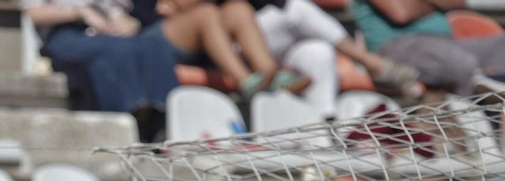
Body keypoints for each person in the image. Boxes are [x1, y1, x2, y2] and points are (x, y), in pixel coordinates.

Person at [23, 0, 179, 138]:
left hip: (106, 32)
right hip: (63, 33)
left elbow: (117, 9)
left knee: (154, 45)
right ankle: (133, 117)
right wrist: (80, 13)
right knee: (119, 50)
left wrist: (128, 22)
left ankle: (167, 117)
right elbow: (28, 13)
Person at [247, 0, 420, 116]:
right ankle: (369, 61)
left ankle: (325, 121)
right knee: (296, 8)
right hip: (244, 42)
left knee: (320, 52)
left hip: (284, 42)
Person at [349, 0, 505, 97]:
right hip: (398, 46)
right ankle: (476, 99)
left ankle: (491, 82)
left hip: (446, 43)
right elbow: (402, 13)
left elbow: (461, 3)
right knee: (462, 62)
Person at [144, 0, 311, 101]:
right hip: (150, 39)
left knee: (238, 8)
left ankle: (270, 75)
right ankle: (247, 83)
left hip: (199, 31)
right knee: (205, 13)